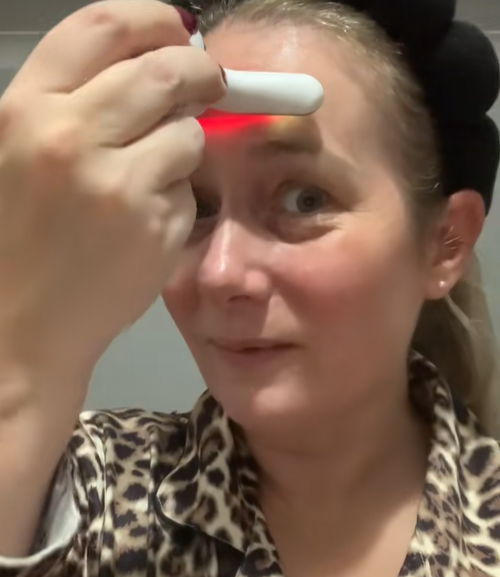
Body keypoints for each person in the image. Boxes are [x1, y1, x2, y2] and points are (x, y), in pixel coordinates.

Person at [0, 0, 499, 575]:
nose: (220, 273)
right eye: (198, 204)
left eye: (304, 199)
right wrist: (22, 362)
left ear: (445, 244)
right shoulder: (86, 493)